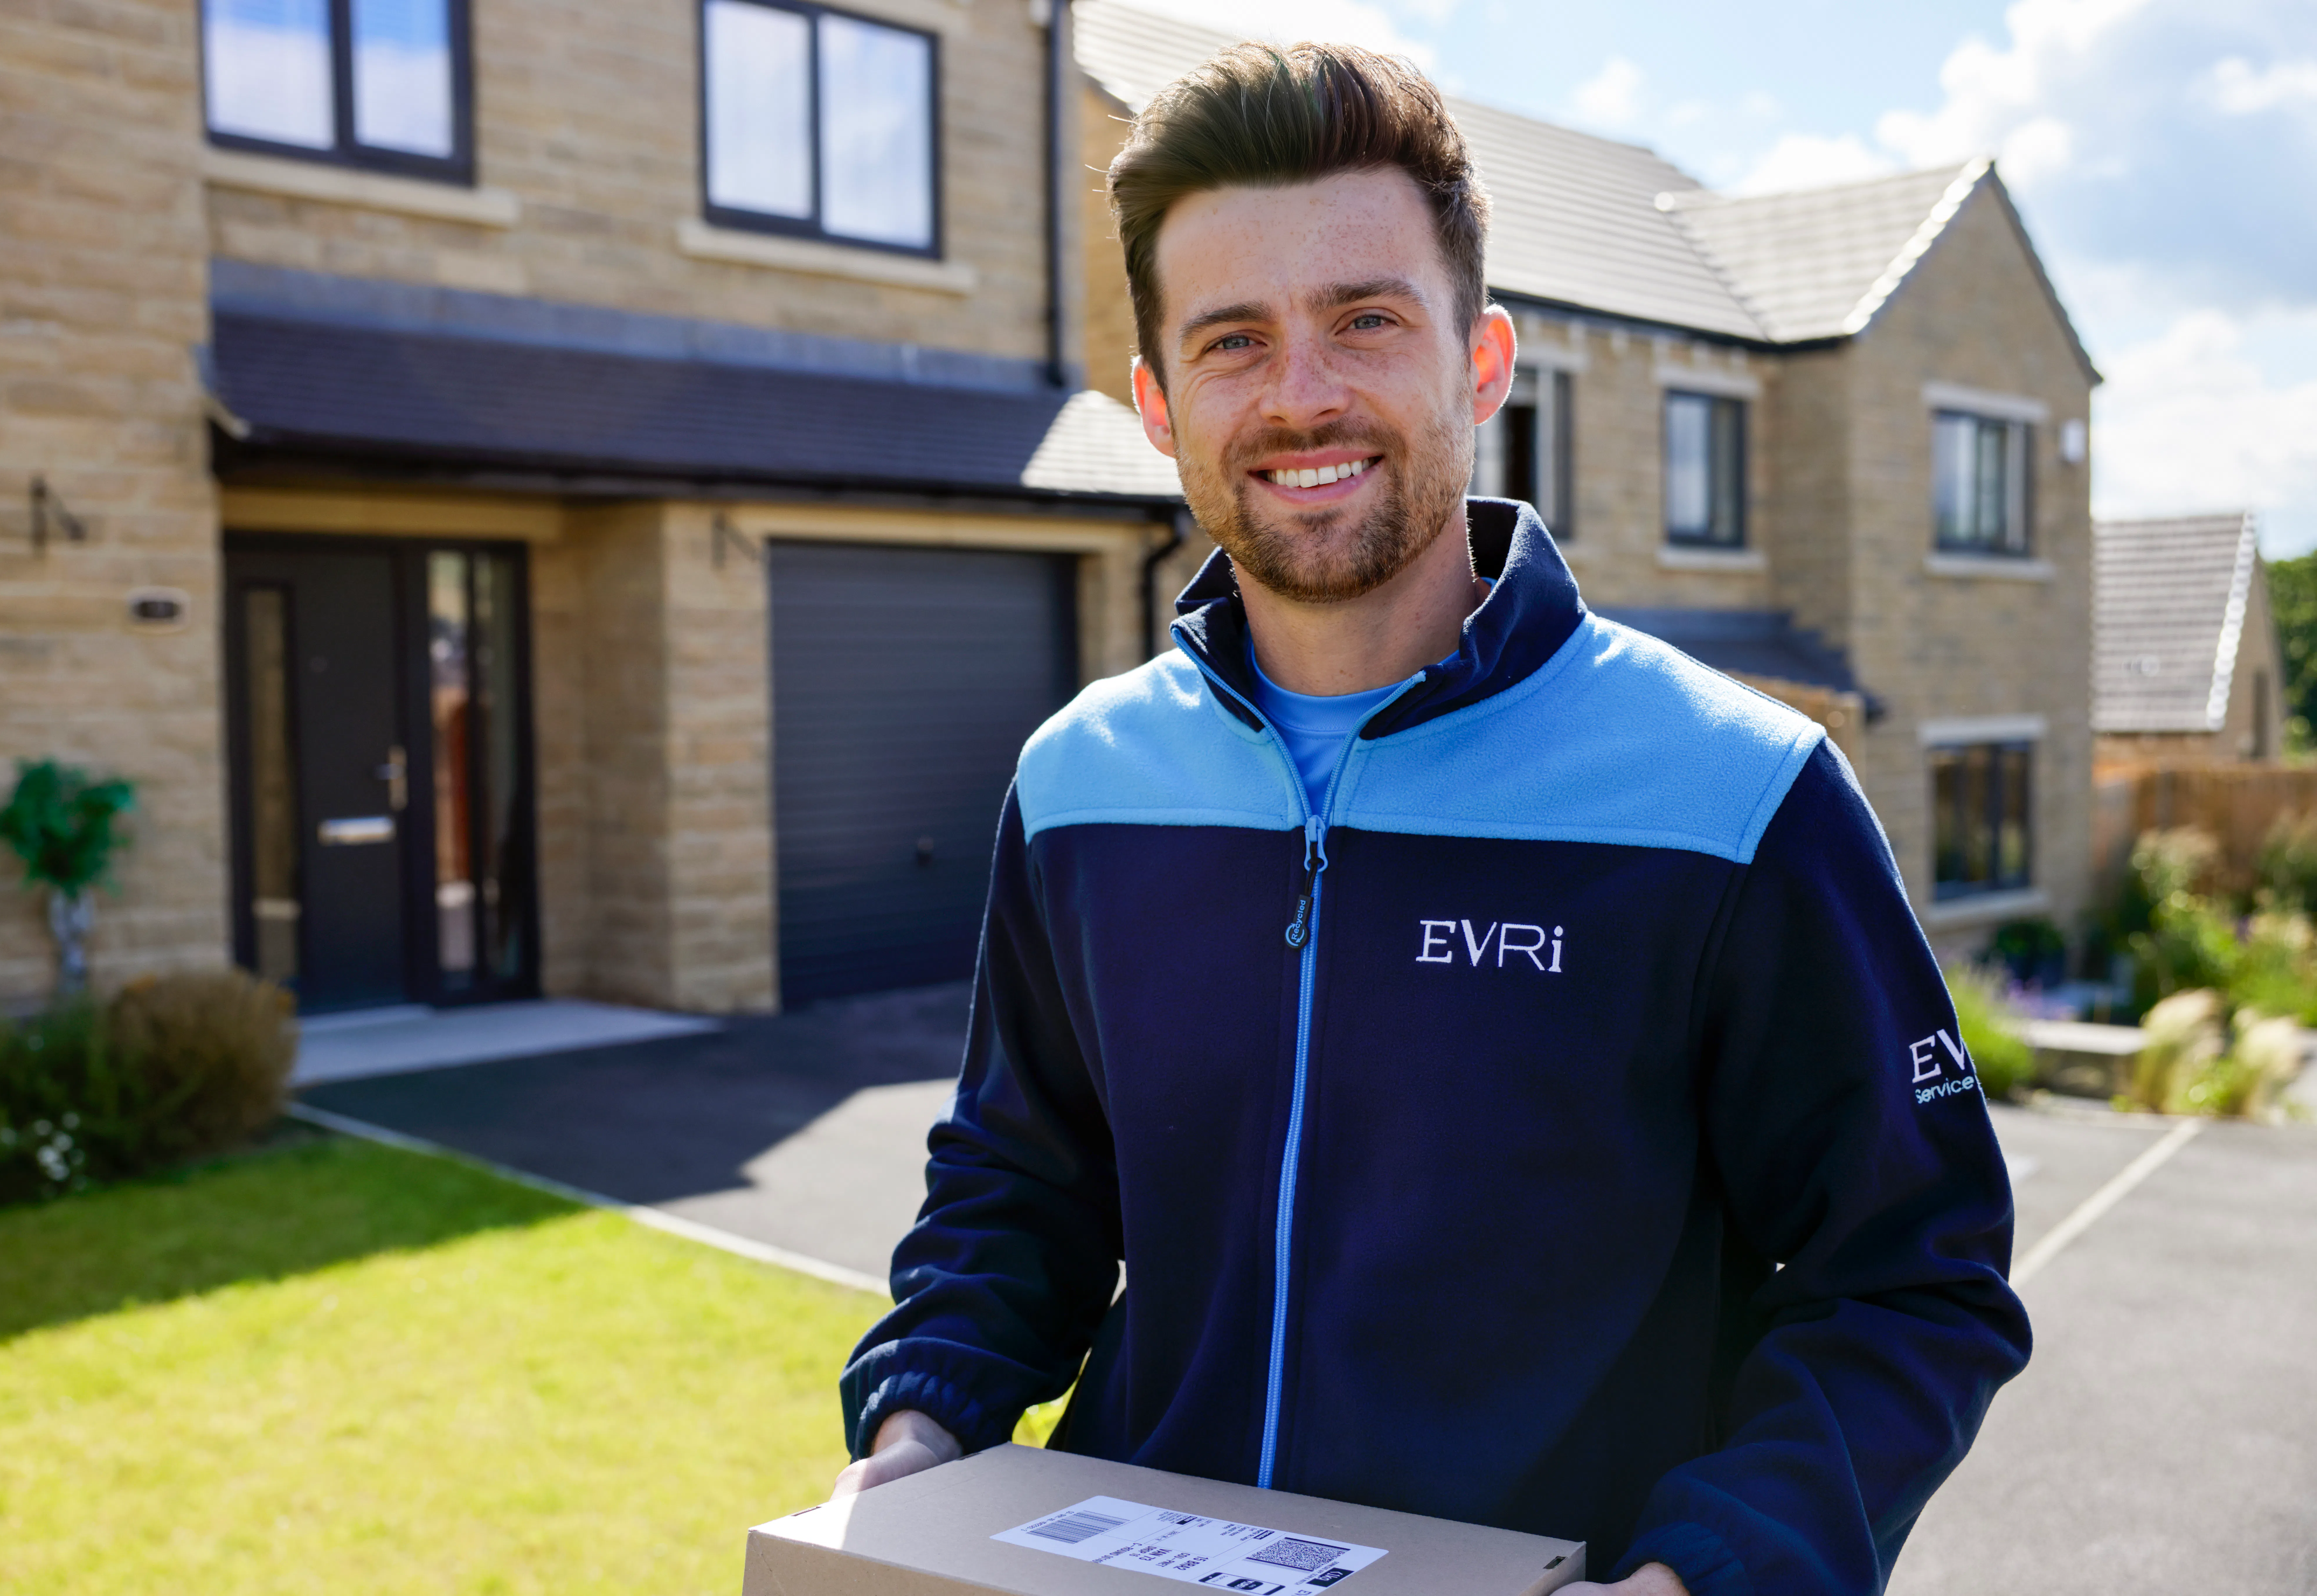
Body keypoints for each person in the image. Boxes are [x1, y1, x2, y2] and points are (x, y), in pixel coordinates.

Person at [832, 40, 2027, 1596]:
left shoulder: (1738, 796)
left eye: (1367, 321)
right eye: (1234, 341)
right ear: (1157, 404)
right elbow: (1019, 1192)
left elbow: (1915, 1277)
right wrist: (917, 1429)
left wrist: (1707, 1574)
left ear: (1482, 360)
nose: (1302, 395)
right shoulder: (1080, 781)